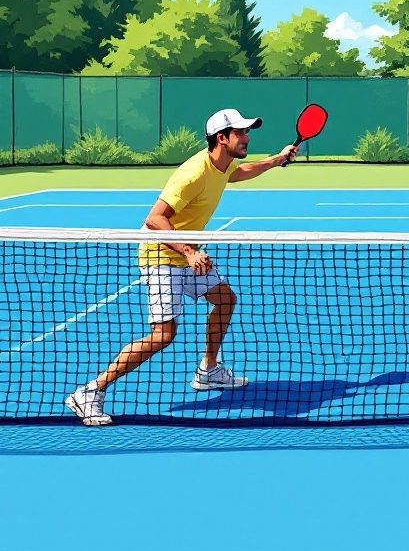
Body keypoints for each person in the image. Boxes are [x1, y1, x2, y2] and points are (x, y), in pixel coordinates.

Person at [65, 108, 298, 427]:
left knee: (225, 299)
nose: (247, 137)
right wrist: (189, 252)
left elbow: (241, 173)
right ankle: (90, 392)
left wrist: (276, 159)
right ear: (222, 138)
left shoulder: (224, 165)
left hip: (185, 253)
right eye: (241, 133)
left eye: (247, 132)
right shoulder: (193, 173)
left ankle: (209, 371)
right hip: (163, 255)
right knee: (163, 335)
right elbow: (155, 217)